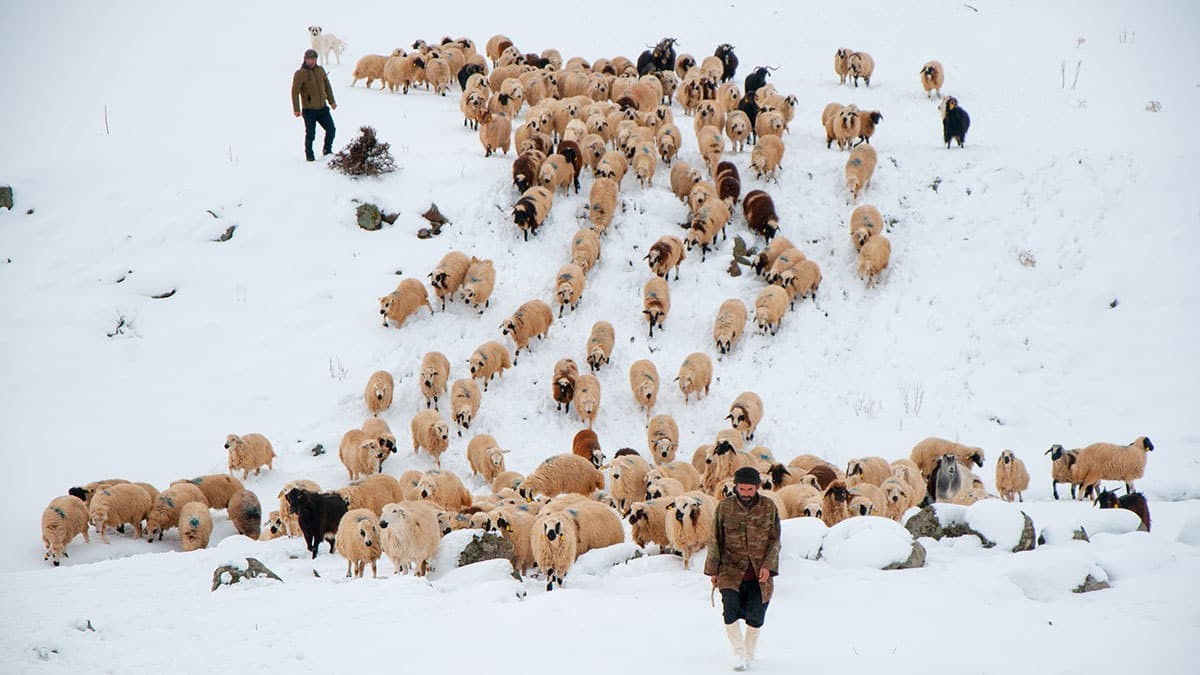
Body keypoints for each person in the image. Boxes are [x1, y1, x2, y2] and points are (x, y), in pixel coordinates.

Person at [705, 466, 781, 671]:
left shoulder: (769, 507)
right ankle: (738, 653)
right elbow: (715, 539)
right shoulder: (725, 507)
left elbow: (775, 541)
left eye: (750, 490)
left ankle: (749, 652)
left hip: (759, 571)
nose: (746, 494)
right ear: (736, 487)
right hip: (730, 569)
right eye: (742, 489)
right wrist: (713, 571)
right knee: (729, 609)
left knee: (756, 615)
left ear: (757, 487)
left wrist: (768, 566)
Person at [291, 48, 337, 161]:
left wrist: (332, 101)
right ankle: (309, 155)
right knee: (311, 134)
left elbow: (327, 86)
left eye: (314, 59)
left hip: (322, 108)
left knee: (331, 129)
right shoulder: (300, 73)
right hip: (309, 110)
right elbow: (295, 92)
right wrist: (296, 109)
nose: (312, 61)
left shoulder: (320, 70)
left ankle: (327, 150)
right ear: (305, 60)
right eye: (310, 59)